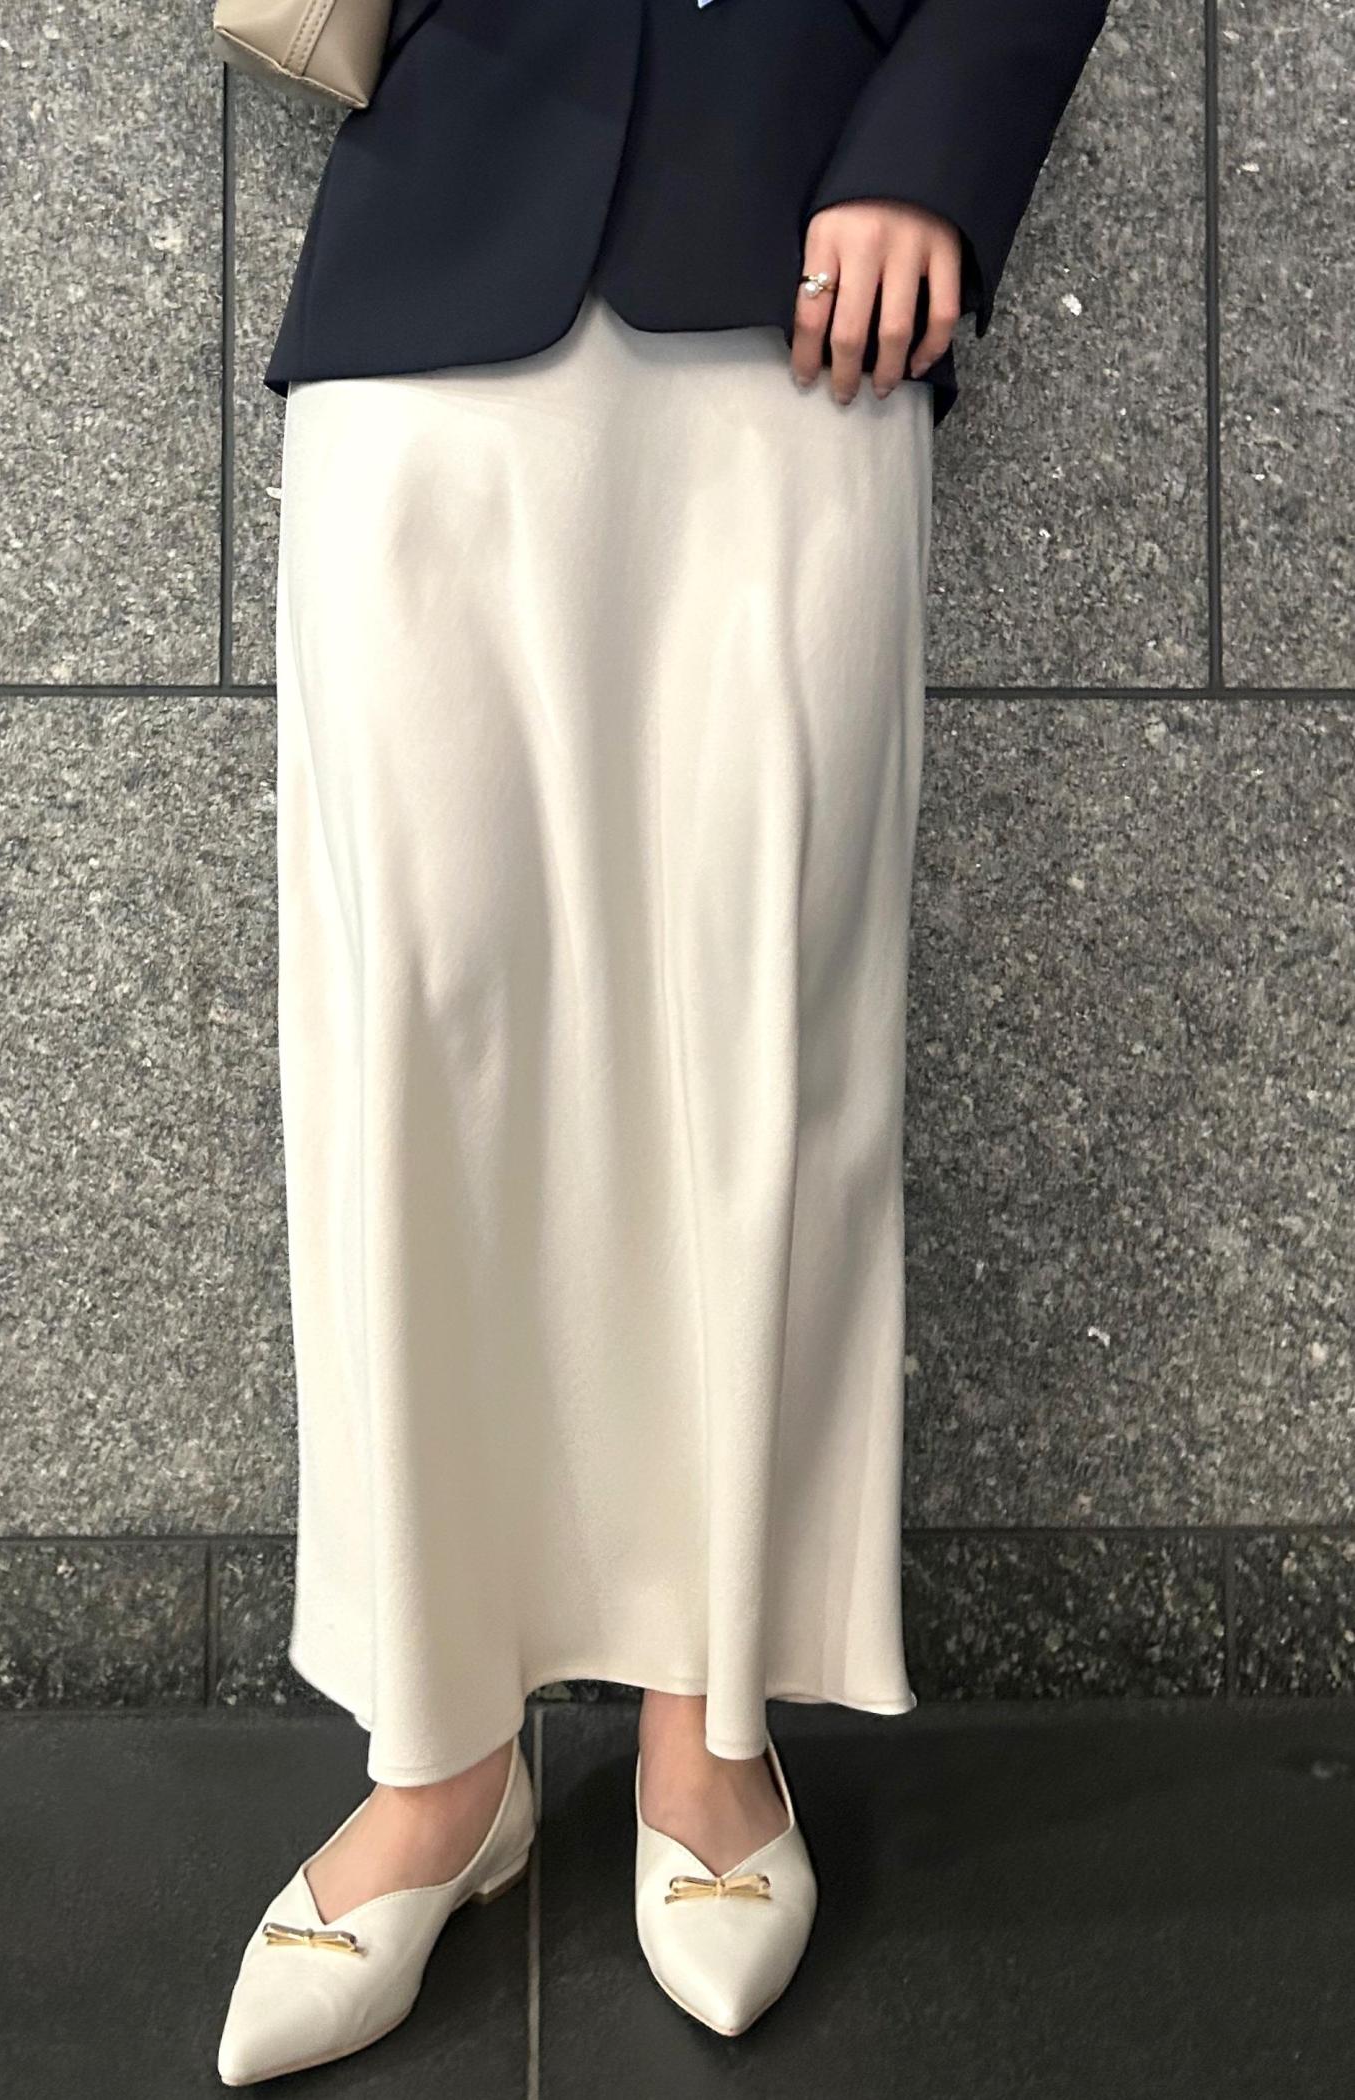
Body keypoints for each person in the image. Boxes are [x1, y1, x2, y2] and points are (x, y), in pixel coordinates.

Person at [217, 0, 1109, 2081]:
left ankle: (716, 1727)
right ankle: (439, 1758)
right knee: (411, 1031)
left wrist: (936, 138)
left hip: (807, 258)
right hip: (440, 255)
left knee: (766, 1010)